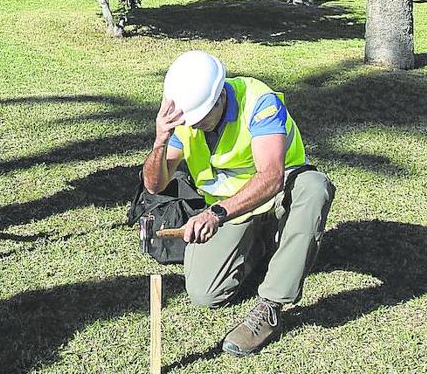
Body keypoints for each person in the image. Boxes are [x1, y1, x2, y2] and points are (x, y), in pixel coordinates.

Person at [142, 50, 335, 357]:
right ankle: (269, 244)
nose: (192, 126)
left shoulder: (259, 102)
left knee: (314, 187)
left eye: (199, 119)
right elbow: (155, 185)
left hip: (277, 195)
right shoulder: (186, 116)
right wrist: (160, 141)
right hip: (232, 208)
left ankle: (270, 306)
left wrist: (215, 214)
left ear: (220, 97)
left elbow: (271, 178)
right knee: (206, 294)